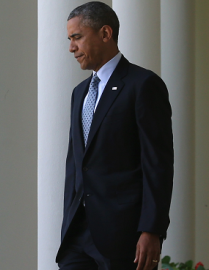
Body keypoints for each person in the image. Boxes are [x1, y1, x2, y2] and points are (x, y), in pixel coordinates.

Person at [55, 2, 174, 270]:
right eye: (70, 39)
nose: (71, 47)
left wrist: (151, 230)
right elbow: (75, 166)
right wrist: (67, 224)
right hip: (77, 237)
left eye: (77, 37)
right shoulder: (79, 93)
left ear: (105, 33)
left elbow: (158, 165)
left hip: (124, 238)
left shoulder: (143, 85)